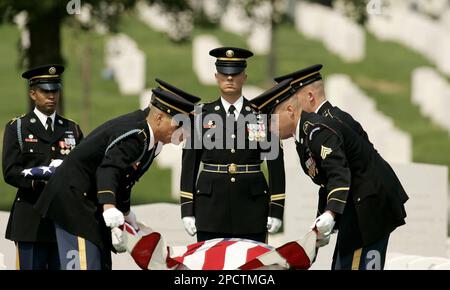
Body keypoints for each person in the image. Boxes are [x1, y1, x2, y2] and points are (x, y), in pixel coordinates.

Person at [251, 77, 408, 270]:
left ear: (290, 111)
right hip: (355, 205)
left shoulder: (317, 131)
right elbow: (326, 182)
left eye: (271, 120)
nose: (268, 128)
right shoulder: (303, 138)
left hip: (370, 205)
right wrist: (321, 221)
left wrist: (331, 213)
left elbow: (339, 173)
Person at [33, 84, 197, 270]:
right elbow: (109, 169)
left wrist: (125, 212)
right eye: (178, 126)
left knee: (100, 263)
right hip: (73, 202)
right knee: (86, 265)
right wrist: (110, 208)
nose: (182, 135)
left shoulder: (151, 139)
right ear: (159, 117)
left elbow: (125, 178)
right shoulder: (136, 134)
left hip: (90, 202)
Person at [180, 47, 286, 243]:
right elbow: (189, 165)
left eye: (235, 73)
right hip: (210, 209)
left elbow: (275, 164)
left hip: (252, 208)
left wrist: (277, 209)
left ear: (244, 77)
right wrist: (187, 209)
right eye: (224, 73)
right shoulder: (201, 115)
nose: (230, 78)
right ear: (216, 76)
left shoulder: (260, 116)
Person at [2, 64, 83, 270]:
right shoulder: (18, 128)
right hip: (31, 219)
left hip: (63, 221)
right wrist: (42, 180)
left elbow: (82, 169)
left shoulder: (71, 128)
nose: (51, 96)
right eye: (45, 91)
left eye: (54, 90)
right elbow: (10, 172)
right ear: (32, 93)